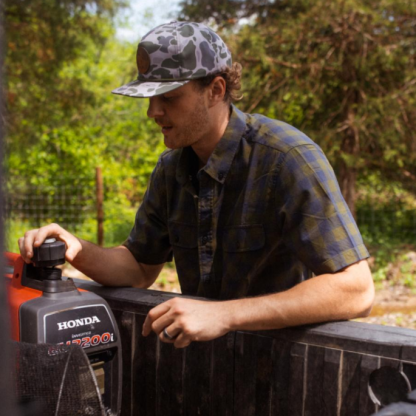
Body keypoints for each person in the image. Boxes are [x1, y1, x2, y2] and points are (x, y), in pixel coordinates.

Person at [19, 21, 374, 349]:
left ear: (215, 90)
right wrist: (76, 248)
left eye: (169, 97)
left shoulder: (287, 158)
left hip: (285, 373)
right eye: (150, 98)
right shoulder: (171, 169)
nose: (152, 112)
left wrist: (225, 314)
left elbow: (356, 289)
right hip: (204, 374)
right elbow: (138, 269)